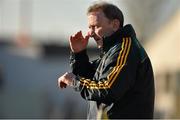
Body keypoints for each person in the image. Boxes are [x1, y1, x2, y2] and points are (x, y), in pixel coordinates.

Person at [58, 1, 155, 119]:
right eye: (89, 27)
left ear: (114, 25)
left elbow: (107, 89)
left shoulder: (125, 49)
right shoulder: (111, 51)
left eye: (96, 26)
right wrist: (79, 54)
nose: (90, 33)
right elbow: (91, 80)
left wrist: (74, 81)